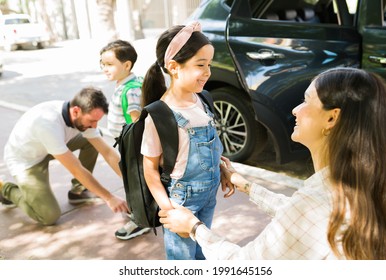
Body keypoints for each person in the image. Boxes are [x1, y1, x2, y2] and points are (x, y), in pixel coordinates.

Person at [159, 67, 386, 260]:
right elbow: (296, 217)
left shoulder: (315, 201)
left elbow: (245, 265)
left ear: (331, 118)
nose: (295, 109)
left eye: (306, 100)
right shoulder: (359, 182)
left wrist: (193, 227)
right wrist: (246, 186)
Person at [141, 21, 232, 260]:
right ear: (174, 67)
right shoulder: (160, 114)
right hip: (181, 202)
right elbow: (149, 169)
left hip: (209, 194)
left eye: (209, 64)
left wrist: (222, 167)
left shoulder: (203, 99)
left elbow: (207, 146)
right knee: (182, 260)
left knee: (203, 250)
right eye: (200, 65)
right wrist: (168, 209)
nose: (208, 72)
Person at [0, 87, 128, 226]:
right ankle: (5, 189)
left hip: (50, 147)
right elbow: (76, 169)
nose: (95, 125)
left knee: (95, 140)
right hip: (26, 161)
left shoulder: (80, 117)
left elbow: (107, 152)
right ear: (76, 111)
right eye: (92, 120)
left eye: (97, 121)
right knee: (49, 216)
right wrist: (109, 197)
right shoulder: (48, 123)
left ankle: (77, 191)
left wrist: (130, 182)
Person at [100, 39, 151, 240]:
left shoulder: (131, 89)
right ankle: (141, 212)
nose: (105, 69)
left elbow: (137, 118)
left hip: (133, 147)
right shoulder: (125, 85)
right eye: (102, 64)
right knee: (134, 183)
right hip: (126, 145)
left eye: (110, 64)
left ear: (127, 65)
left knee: (136, 184)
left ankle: (142, 220)